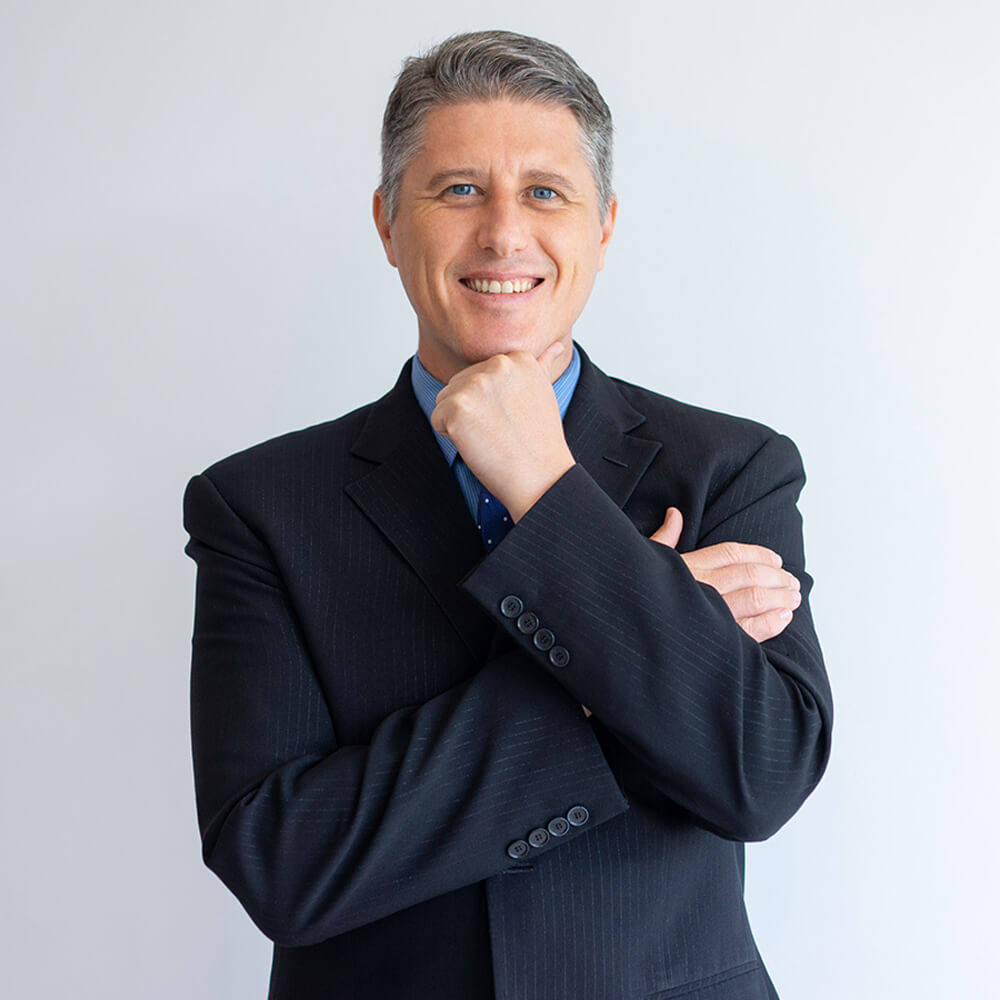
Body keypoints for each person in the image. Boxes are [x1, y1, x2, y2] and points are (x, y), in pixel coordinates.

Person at [184, 30, 832, 1000]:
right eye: (458, 189)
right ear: (387, 222)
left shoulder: (731, 469)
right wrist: (620, 647)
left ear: (603, 227)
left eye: (545, 192)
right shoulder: (258, 505)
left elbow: (762, 771)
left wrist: (545, 487)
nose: (502, 234)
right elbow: (282, 860)